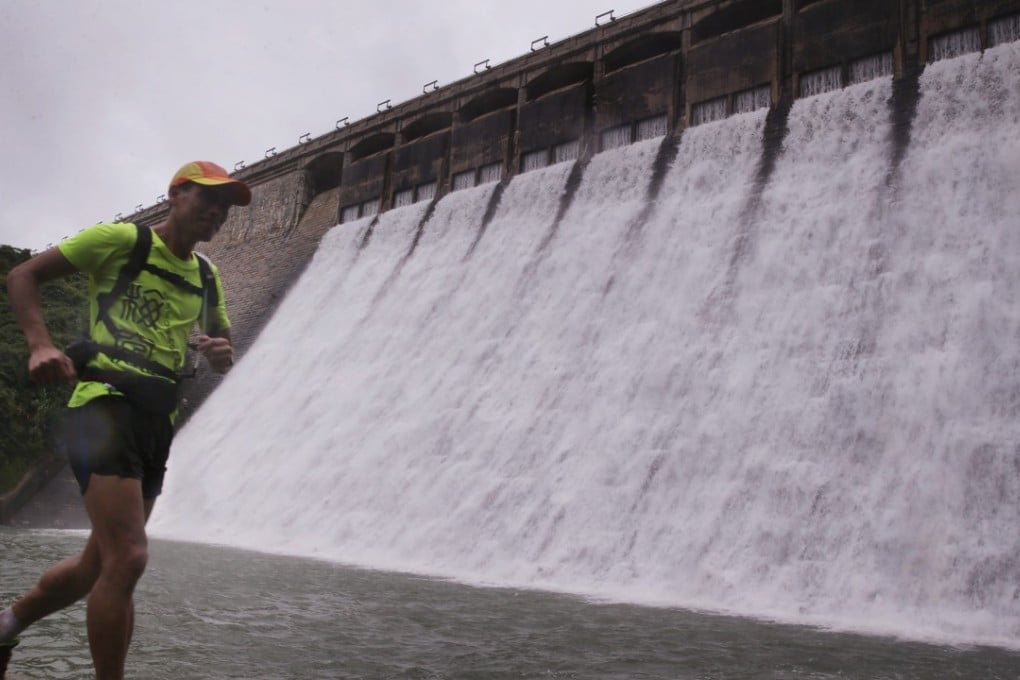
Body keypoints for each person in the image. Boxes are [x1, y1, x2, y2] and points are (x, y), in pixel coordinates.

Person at [0, 161, 250, 680]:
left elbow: (221, 345)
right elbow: (23, 275)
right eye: (208, 199)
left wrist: (220, 354)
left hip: (157, 423)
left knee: (100, 565)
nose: (218, 213)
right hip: (102, 404)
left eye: (226, 206)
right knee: (131, 557)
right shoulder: (121, 241)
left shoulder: (206, 275)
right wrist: (40, 344)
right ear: (176, 195)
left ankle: (6, 626)